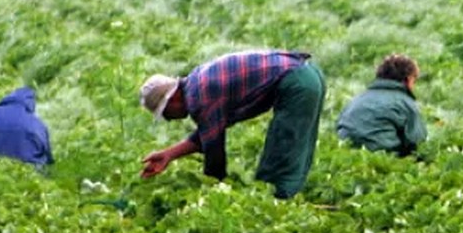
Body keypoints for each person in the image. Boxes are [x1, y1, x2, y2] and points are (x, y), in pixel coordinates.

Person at [139, 50, 325, 199]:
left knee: (283, 151)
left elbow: (214, 151)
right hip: (306, 74)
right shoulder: (196, 83)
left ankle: (277, 204)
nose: (170, 119)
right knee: (296, 147)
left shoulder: (199, 98)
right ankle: (281, 199)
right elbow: (208, 133)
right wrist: (169, 155)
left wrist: (214, 190)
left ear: (173, 99)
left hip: (297, 83)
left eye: (166, 114)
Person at [336, 54, 428, 156]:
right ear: (408, 79)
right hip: (384, 159)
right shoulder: (405, 103)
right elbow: (418, 143)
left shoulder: (356, 100)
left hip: (344, 156)